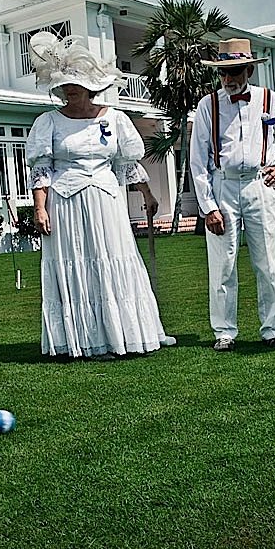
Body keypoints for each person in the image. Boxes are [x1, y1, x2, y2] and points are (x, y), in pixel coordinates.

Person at [25, 32, 173, 360]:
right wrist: (40, 207)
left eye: (77, 85)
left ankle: (125, 335)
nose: (71, 90)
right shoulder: (48, 122)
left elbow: (127, 163)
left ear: (92, 86)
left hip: (107, 201)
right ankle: (84, 339)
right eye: (67, 85)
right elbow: (41, 168)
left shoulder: (116, 118)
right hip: (66, 202)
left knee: (114, 259)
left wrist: (146, 194)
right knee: (77, 262)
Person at [189, 38, 275, 352]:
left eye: (235, 71)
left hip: (260, 185)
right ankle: (224, 332)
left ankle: (273, 330)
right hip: (222, 184)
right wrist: (208, 207)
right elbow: (198, 160)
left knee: (268, 262)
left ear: (250, 70)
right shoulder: (208, 105)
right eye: (224, 73)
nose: (228, 79)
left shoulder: (269, 99)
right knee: (223, 263)